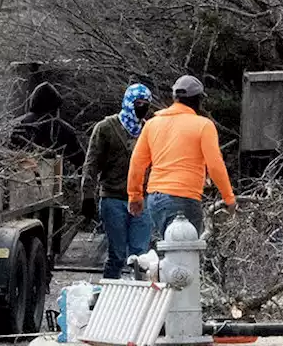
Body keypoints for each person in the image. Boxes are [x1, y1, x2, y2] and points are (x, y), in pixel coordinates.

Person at [127, 75, 236, 239]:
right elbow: (215, 165)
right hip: (184, 199)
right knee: (185, 257)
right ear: (199, 99)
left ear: (174, 98)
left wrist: (134, 196)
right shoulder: (203, 125)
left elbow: (137, 163)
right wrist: (228, 198)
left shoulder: (152, 124)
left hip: (155, 199)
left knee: (170, 251)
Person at [82, 83, 155, 279]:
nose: (142, 107)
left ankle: (140, 299)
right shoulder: (105, 128)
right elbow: (92, 164)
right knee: (117, 254)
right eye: (138, 103)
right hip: (113, 198)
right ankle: (108, 297)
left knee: (141, 255)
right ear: (129, 102)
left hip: (142, 199)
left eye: (146, 104)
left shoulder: (150, 130)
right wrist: (87, 195)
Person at [10, 82, 85, 169]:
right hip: (54, 176)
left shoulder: (17, 125)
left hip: (20, 175)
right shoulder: (64, 129)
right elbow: (81, 161)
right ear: (55, 106)